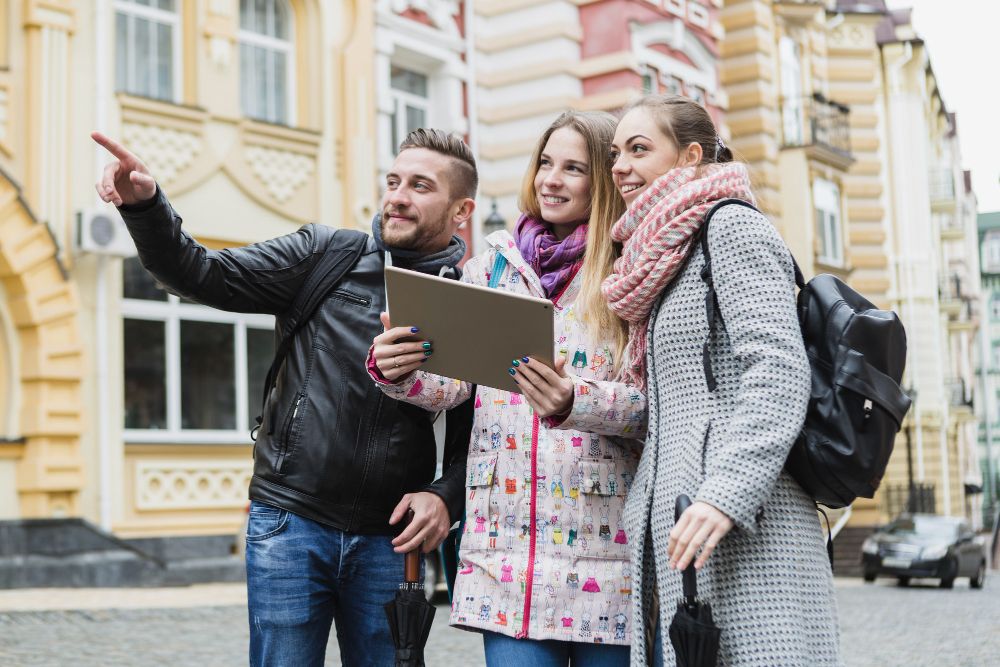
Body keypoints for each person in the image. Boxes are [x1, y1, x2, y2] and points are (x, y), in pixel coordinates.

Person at [92, 128, 478, 667]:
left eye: (420, 186)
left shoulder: (471, 298)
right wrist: (147, 208)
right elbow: (203, 274)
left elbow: (481, 435)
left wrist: (444, 496)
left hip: (391, 544)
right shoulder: (325, 254)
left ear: (462, 211)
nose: (397, 195)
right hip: (290, 524)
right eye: (393, 180)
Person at [368, 111, 647, 666]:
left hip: (605, 547)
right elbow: (452, 388)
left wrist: (577, 401)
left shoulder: (631, 270)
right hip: (507, 548)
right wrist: (402, 371)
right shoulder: (492, 266)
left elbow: (656, 405)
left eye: (573, 168)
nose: (551, 179)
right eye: (545, 163)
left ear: (603, 180)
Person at [603, 94, 841, 666]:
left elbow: (778, 369)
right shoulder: (660, 254)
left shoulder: (730, 226)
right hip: (678, 528)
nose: (620, 167)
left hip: (747, 521)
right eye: (615, 153)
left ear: (688, 157)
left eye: (639, 149)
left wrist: (724, 495)